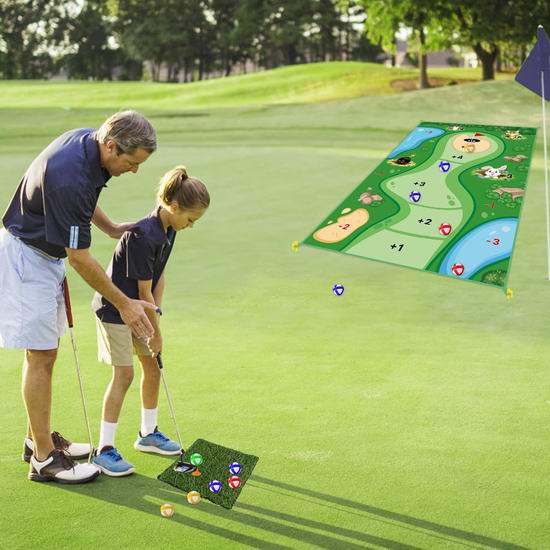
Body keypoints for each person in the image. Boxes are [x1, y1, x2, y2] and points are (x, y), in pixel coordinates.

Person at [0, 110, 160, 484]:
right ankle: (44, 459)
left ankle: (37, 439)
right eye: (131, 162)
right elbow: (80, 259)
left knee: (45, 353)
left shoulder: (89, 143)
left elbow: (83, 200)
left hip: (43, 256)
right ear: (112, 146)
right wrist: (125, 303)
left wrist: (110, 227)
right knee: (40, 356)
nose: (135, 170)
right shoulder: (70, 176)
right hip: (27, 260)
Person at [91, 166, 209, 476]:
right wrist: (155, 333)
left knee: (152, 367)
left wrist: (158, 316)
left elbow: (159, 278)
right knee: (125, 374)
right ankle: (104, 449)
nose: (191, 226)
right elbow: (143, 291)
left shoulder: (169, 229)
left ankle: (148, 434)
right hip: (114, 309)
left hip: (139, 307)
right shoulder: (144, 235)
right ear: (175, 206)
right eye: (191, 219)